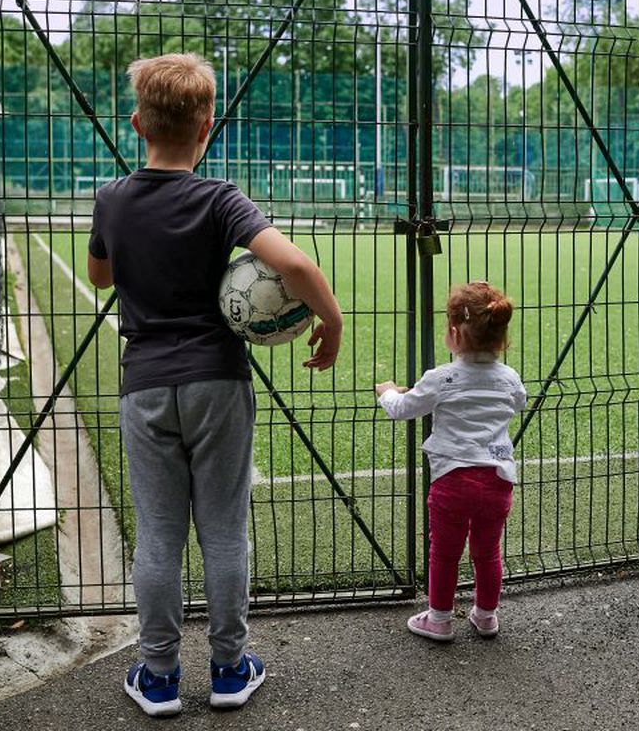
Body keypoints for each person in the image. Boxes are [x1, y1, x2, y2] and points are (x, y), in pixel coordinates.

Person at [87, 53, 343, 715]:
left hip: (144, 385)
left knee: (159, 534)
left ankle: (160, 676)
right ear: (206, 127)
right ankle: (230, 670)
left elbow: (99, 277)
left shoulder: (111, 198)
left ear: (138, 122)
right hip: (217, 383)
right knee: (224, 529)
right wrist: (332, 319)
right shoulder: (220, 199)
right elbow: (293, 263)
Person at [375, 281, 527, 642]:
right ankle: (486, 615)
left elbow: (402, 409)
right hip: (497, 479)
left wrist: (388, 392)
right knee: (487, 551)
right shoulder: (509, 378)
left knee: (444, 552)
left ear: (455, 333)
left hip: (452, 481)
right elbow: (518, 402)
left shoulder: (441, 378)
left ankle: (440, 619)